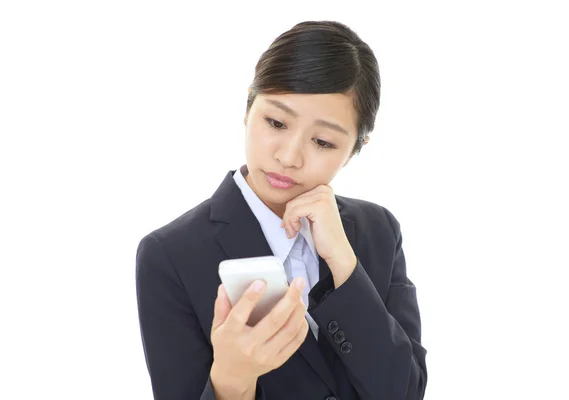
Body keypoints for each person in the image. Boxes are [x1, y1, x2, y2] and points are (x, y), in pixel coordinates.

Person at [136, 20, 428, 400]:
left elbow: (405, 392)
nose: (288, 157)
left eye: (322, 142)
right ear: (248, 107)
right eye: (275, 122)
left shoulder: (378, 230)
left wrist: (344, 264)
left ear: (356, 148)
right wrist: (231, 378)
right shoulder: (170, 253)